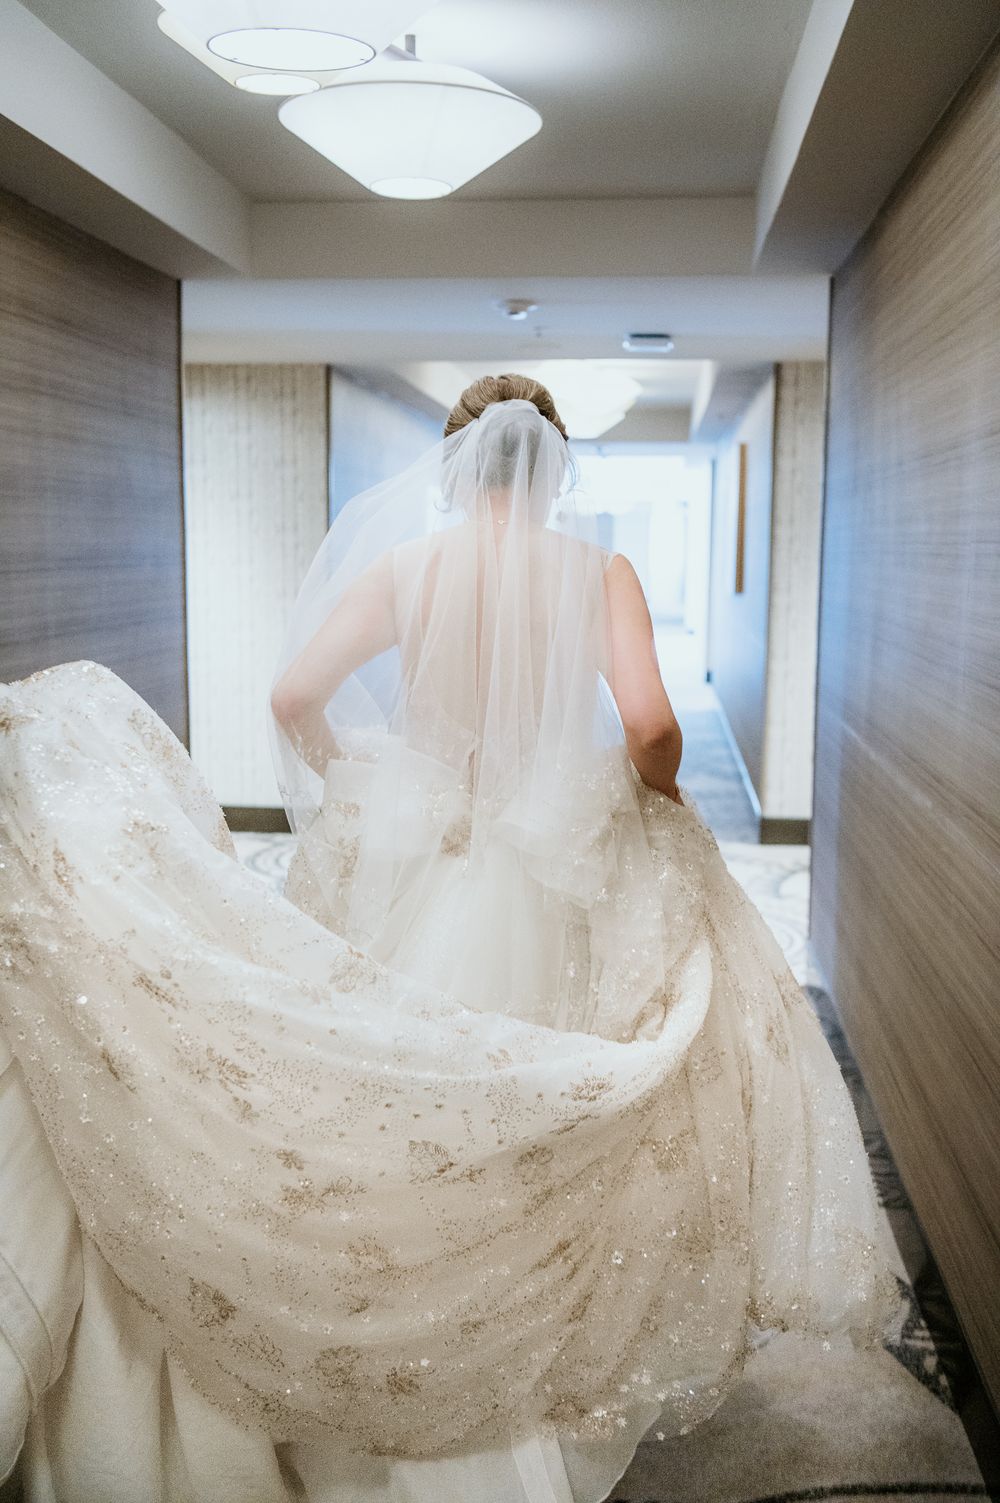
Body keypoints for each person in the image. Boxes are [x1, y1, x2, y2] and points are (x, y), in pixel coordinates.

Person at [0, 375, 904, 1502]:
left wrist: (363, 783)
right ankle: (523, 1337)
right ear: (553, 469)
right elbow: (653, 724)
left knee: (385, 1101)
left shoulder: (404, 568)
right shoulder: (595, 572)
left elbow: (292, 697)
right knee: (540, 1116)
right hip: (549, 864)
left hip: (417, 857)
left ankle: (383, 1321)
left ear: (453, 466)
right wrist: (655, 800)